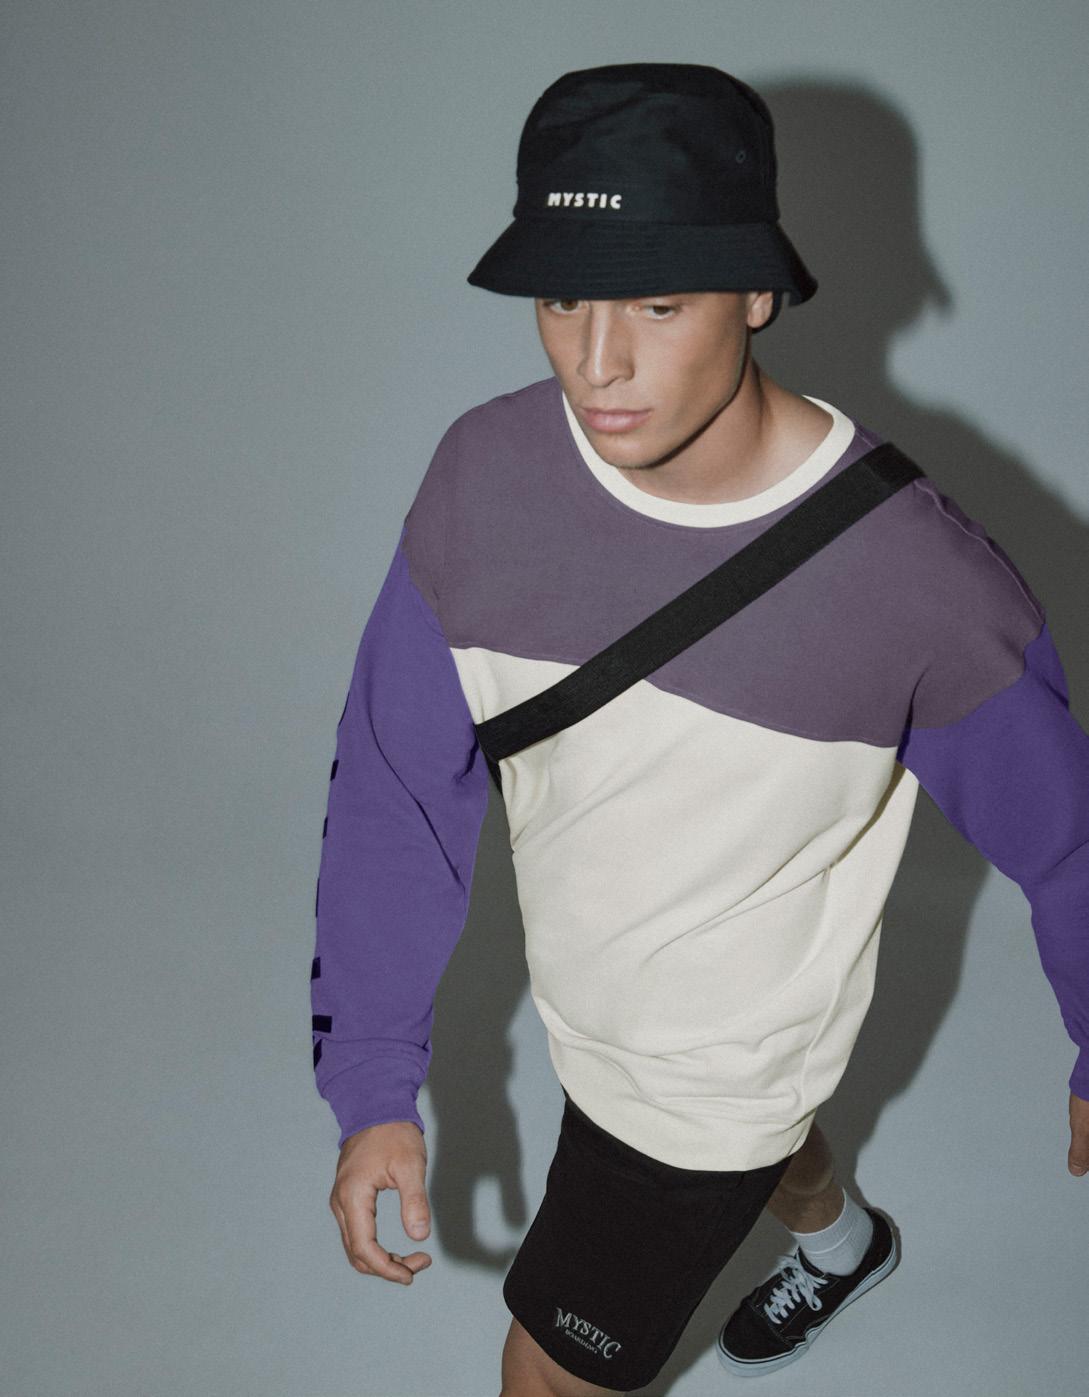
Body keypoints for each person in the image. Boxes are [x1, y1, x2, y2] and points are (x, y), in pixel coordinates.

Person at [310, 63, 1089, 1396]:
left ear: (756, 293)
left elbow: (1068, 839)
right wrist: (373, 1077)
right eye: (563, 298)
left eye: (657, 304)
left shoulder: (919, 583)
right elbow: (396, 787)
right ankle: (840, 1245)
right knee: (766, 1140)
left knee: (545, 1374)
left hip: (706, 1079)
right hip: (598, 994)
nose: (596, 362)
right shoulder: (482, 475)